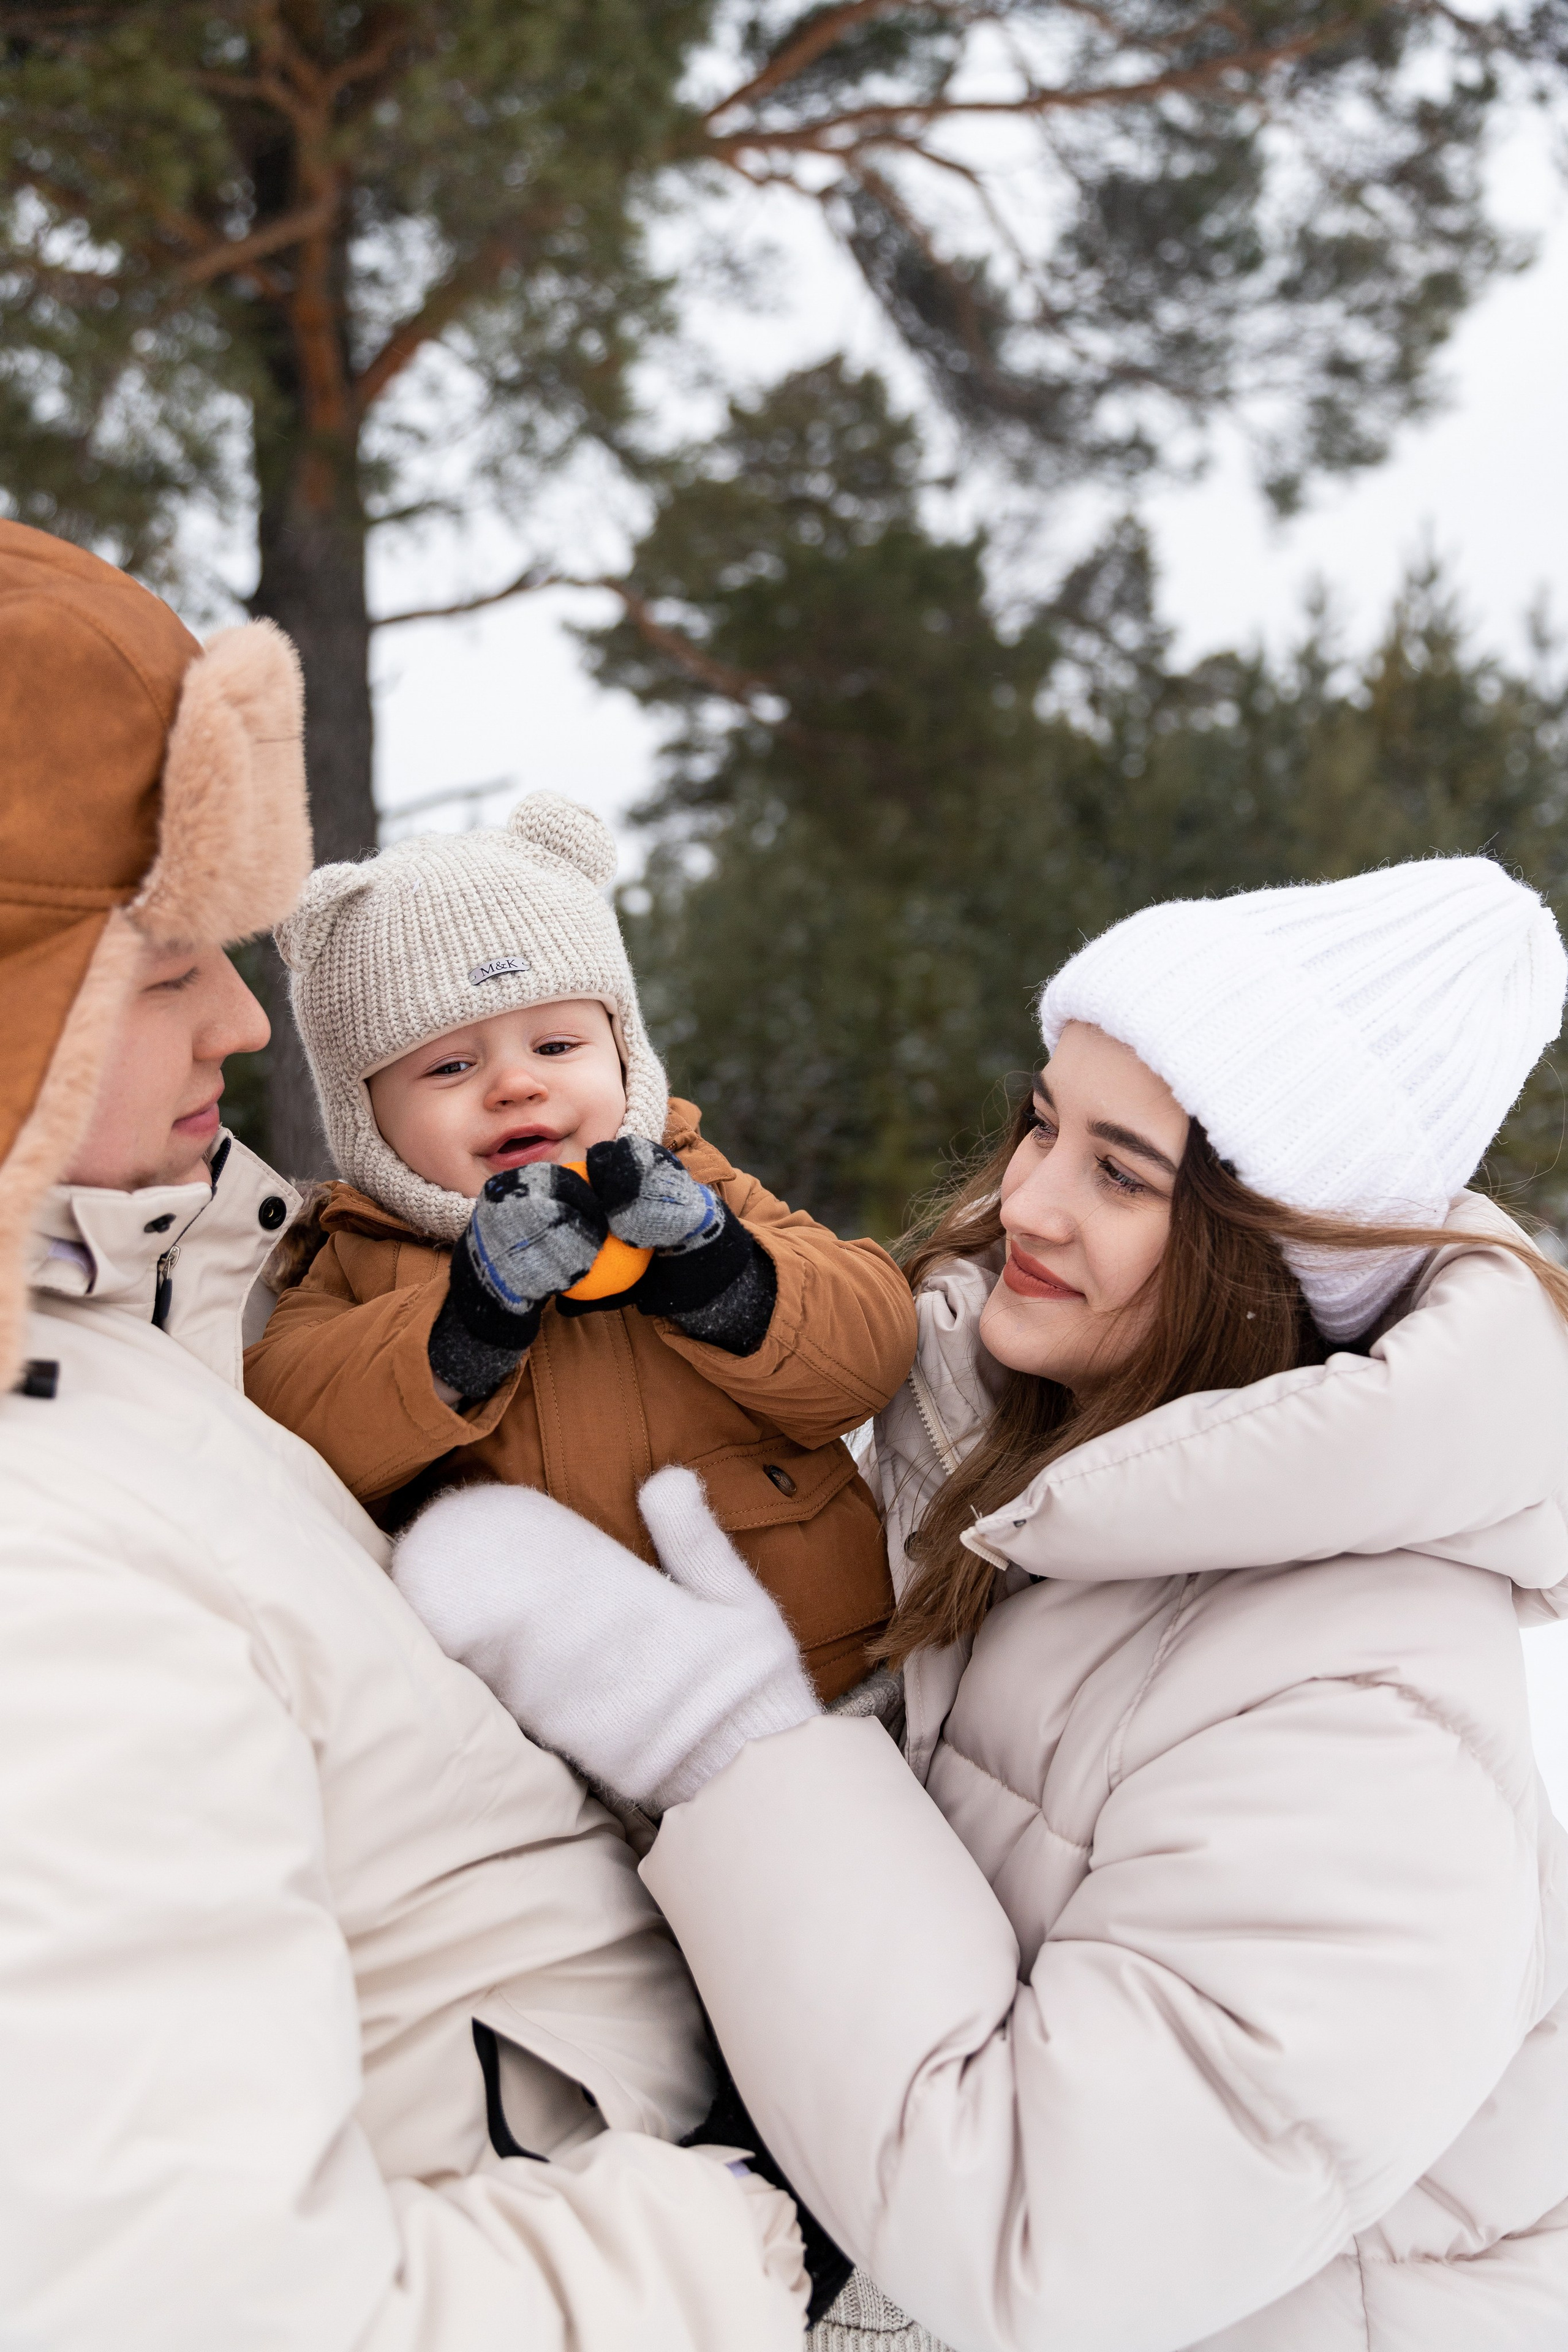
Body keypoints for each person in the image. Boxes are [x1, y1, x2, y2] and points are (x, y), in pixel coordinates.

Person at [394, 857, 1568, 2350]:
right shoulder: (991, 1457)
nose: (1026, 1198)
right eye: (1041, 1123)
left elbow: (1054, 2247)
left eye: (1118, 1174)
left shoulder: (1373, 1721)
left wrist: (729, 1744)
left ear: (1272, 1256)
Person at [0, 520, 807, 2350]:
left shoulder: (149, 1303)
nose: (239, 1017)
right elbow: (201, 2309)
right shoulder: (36, 1575)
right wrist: (751, 2243)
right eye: (163, 965)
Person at [243, 802, 915, 1700]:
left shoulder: (700, 1187)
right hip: (545, 1732)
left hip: (821, 1680)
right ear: (367, 1118)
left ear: (624, 1056)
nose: (516, 1084)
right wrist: (465, 1326)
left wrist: (725, 1277)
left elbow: (874, 1353)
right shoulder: (362, 1254)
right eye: (450, 1067)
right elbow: (292, 1423)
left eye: (557, 1045)